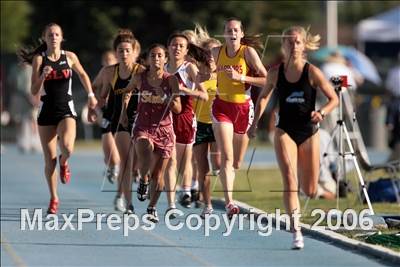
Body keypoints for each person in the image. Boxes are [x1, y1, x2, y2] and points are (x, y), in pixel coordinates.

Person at [248, 26, 338, 249]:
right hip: (285, 130)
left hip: (309, 132)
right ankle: (296, 231)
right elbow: (263, 98)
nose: (293, 46)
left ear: (304, 45)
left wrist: (322, 112)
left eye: (297, 42)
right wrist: (254, 123)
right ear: (283, 46)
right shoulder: (275, 72)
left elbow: (333, 98)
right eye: (289, 42)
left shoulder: (312, 72)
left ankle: (313, 190)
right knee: (289, 179)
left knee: (309, 189)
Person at [18, 23, 97, 214]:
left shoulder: (69, 57)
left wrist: (91, 96)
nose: (53, 37)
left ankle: (65, 162)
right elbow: (34, 90)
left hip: (66, 109)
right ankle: (54, 197)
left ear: (61, 38)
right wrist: (42, 76)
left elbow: (84, 75)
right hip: (46, 112)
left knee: (68, 147)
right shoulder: (39, 59)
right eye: (50, 34)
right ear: (44, 38)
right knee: (49, 160)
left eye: (56, 34)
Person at [210, 18, 267, 218]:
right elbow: (204, 73)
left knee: (236, 163)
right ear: (224, 33)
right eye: (228, 30)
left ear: (241, 34)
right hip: (221, 107)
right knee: (227, 156)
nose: (232, 33)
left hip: (243, 107)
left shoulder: (248, 53)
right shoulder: (216, 52)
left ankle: (229, 176)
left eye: (236, 30)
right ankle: (229, 203)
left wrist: (242, 78)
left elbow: (267, 80)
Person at [124, 44, 181, 222]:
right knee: (143, 144)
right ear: (148, 59)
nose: (156, 59)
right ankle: (143, 179)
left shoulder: (171, 80)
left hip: (164, 129)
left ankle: (152, 208)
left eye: (159, 56)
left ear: (165, 59)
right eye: (153, 56)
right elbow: (126, 92)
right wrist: (124, 111)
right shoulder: (140, 78)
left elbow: (178, 108)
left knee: (159, 174)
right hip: (143, 126)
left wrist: (164, 97)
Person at [98, 30, 144, 214]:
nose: (124, 54)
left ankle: (138, 179)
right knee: (125, 162)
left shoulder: (141, 72)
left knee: (136, 164)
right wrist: (94, 103)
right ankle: (127, 201)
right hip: (120, 120)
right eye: (120, 51)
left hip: (141, 121)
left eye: (127, 50)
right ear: (115, 52)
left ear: (134, 52)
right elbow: (99, 92)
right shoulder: (109, 72)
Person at [163, 32, 208, 212]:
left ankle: (186, 190)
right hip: (165, 118)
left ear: (186, 50)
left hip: (185, 118)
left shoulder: (189, 68)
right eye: (174, 45)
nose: (177, 48)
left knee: (184, 161)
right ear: (168, 48)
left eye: (181, 46)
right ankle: (171, 203)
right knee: (171, 160)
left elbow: (203, 95)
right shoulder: (163, 68)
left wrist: (182, 89)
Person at [193, 36, 222, 218]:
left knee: (219, 164)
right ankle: (208, 204)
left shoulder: (226, 74)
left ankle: (228, 199)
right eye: (208, 52)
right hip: (199, 124)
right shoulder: (195, 74)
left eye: (215, 52)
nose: (211, 56)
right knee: (203, 168)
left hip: (219, 123)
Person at [90, 50, 119, 183]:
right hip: (106, 112)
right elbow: (93, 88)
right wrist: (94, 107)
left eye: (111, 59)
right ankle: (112, 166)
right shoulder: (103, 73)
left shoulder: (123, 72)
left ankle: (128, 169)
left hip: (122, 113)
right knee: (108, 142)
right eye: (106, 60)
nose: (108, 62)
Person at [385, 59, 400, 161]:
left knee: (394, 130)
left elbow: (388, 89)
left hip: (395, 101)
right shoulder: (394, 72)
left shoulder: (393, 72)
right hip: (395, 101)